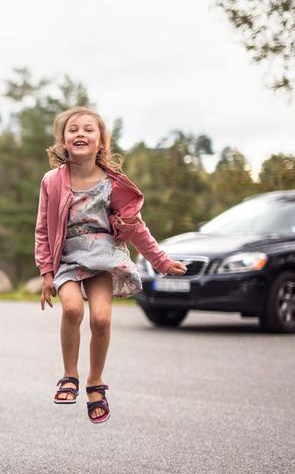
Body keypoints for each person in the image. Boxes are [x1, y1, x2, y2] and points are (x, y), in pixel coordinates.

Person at [34, 106, 187, 424]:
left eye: (88, 129)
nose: (80, 134)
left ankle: (95, 383)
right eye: (73, 129)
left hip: (104, 258)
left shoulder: (114, 184)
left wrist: (160, 260)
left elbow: (136, 227)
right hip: (68, 258)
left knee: (101, 319)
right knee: (73, 309)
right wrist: (47, 272)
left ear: (101, 141)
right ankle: (69, 374)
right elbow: (42, 229)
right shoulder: (52, 181)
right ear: (62, 140)